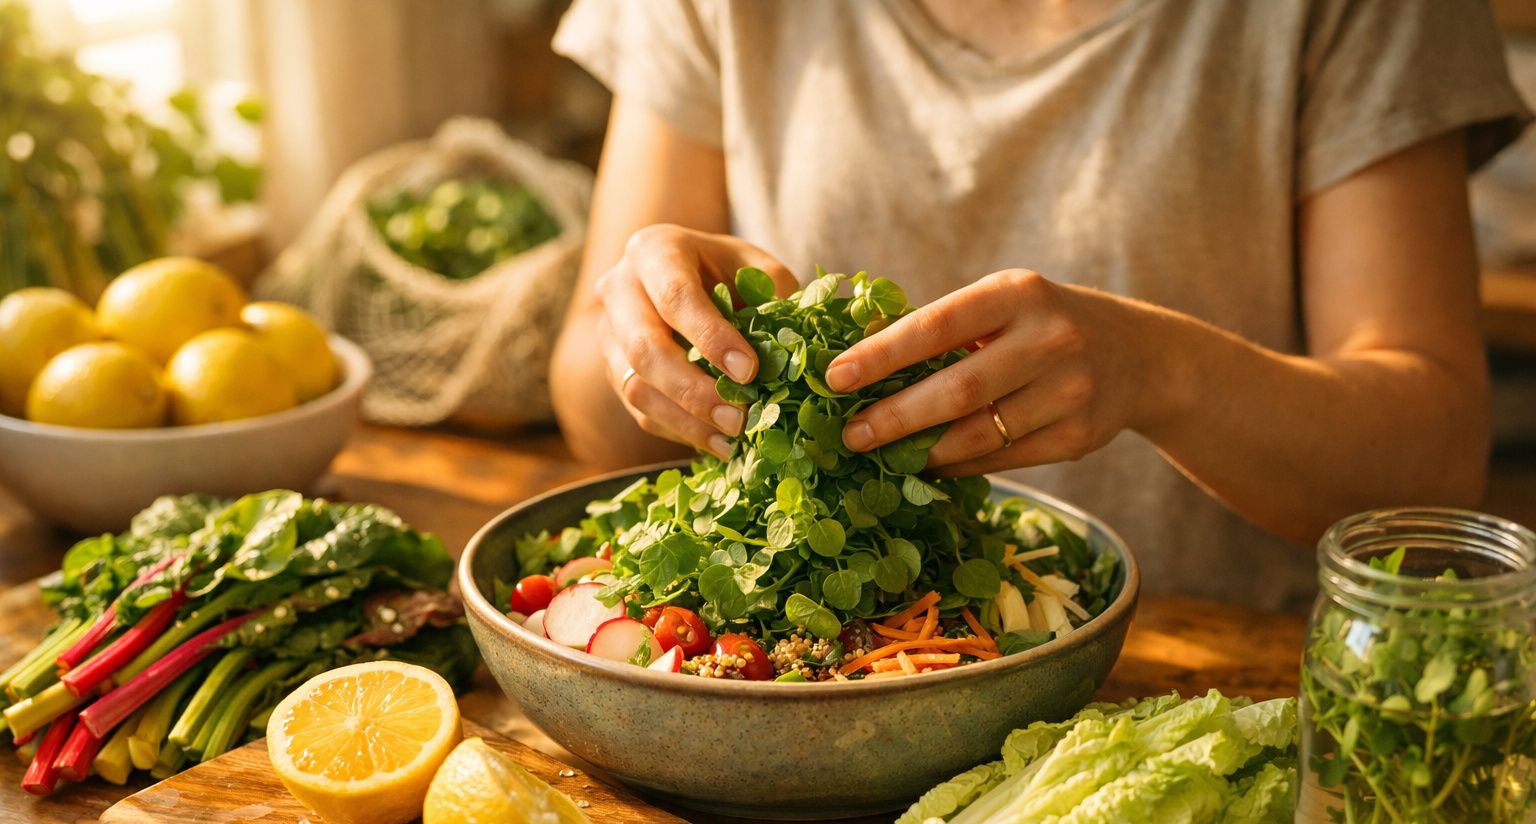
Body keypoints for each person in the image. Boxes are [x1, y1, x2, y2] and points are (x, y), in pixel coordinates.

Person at [546, 0, 1530, 610]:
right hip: (815, 698)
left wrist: (1162, 372)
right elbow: (592, 407)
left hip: (1197, 693)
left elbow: (1433, 460)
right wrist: (646, 348)